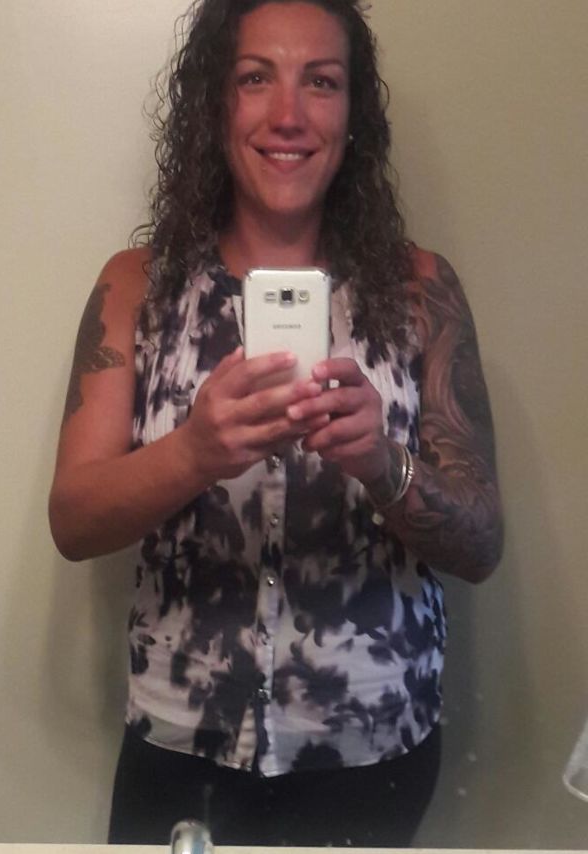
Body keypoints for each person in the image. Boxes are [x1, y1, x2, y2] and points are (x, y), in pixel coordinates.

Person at [49, 0, 503, 846]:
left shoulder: (420, 290)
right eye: (255, 77)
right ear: (214, 104)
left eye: (321, 82)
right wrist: (193, 453)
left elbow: (481, 544)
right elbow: (72, 523)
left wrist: (382, 462)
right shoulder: (136, 286)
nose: (288, 114)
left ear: (353, 114)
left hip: (372, 751)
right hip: (182, 744)